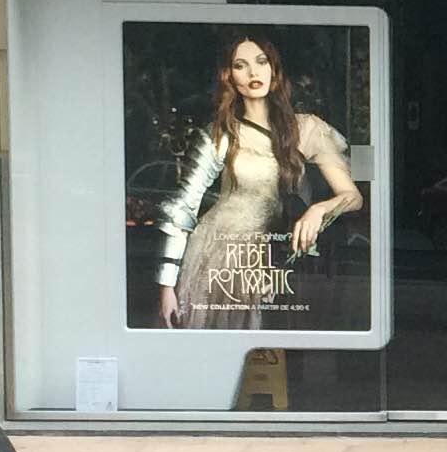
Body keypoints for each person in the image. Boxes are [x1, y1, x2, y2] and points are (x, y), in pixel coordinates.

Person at [154, 33, 364, 328]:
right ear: (230, 77)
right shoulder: (220, 134)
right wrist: (166, 285)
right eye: (241, 65)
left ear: (274, 69)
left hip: (273, 254)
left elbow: (352, 197)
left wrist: (319, 210)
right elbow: (182, 208)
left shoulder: (306, 129)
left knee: (269, 354)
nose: (253, 72)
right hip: (219, 256)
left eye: (261, 62)